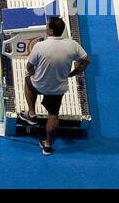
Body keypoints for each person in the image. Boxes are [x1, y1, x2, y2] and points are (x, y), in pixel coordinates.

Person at [24, 16, 90, 155]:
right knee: (53, 114)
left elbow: (29, 66)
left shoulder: (40, 46)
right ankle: (47, 146)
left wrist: (33, 73)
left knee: (28, 80)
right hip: (57, 89)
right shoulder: (72, 45)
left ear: (52, 31)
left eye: (47, 26)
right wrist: (73, 73)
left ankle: (32, 114)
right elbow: (86, 61)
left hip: (39, 85)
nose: (46, 28)